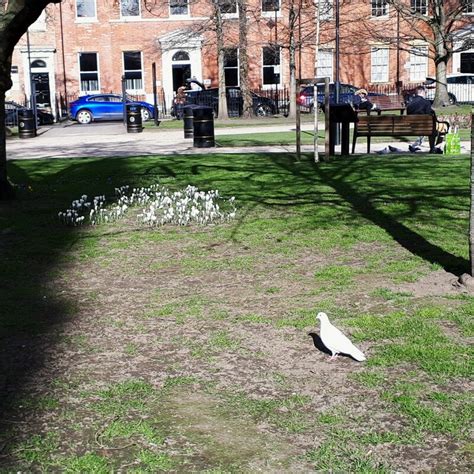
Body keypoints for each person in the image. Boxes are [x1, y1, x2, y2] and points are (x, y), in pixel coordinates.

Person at [406, 86, 442, 153]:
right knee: (440, 129)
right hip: (425, 128)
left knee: (428, 128)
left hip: (412, 128)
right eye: (425, 92)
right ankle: (433, 148)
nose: (425, 93)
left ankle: (417, 146)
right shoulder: (426, 102)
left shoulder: (409, 104)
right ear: (422, 92)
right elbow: (431, 116)